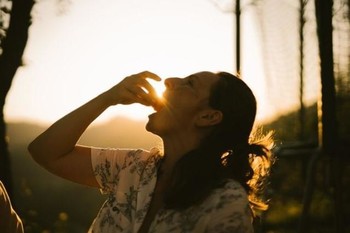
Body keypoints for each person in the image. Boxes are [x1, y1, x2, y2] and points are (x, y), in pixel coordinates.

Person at [28, 71, 274, 233]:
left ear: (208, 116)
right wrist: (108, 97)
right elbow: (45, 152)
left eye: (189, 84)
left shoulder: (224, 201)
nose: (169, 81)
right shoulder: (134, 167)